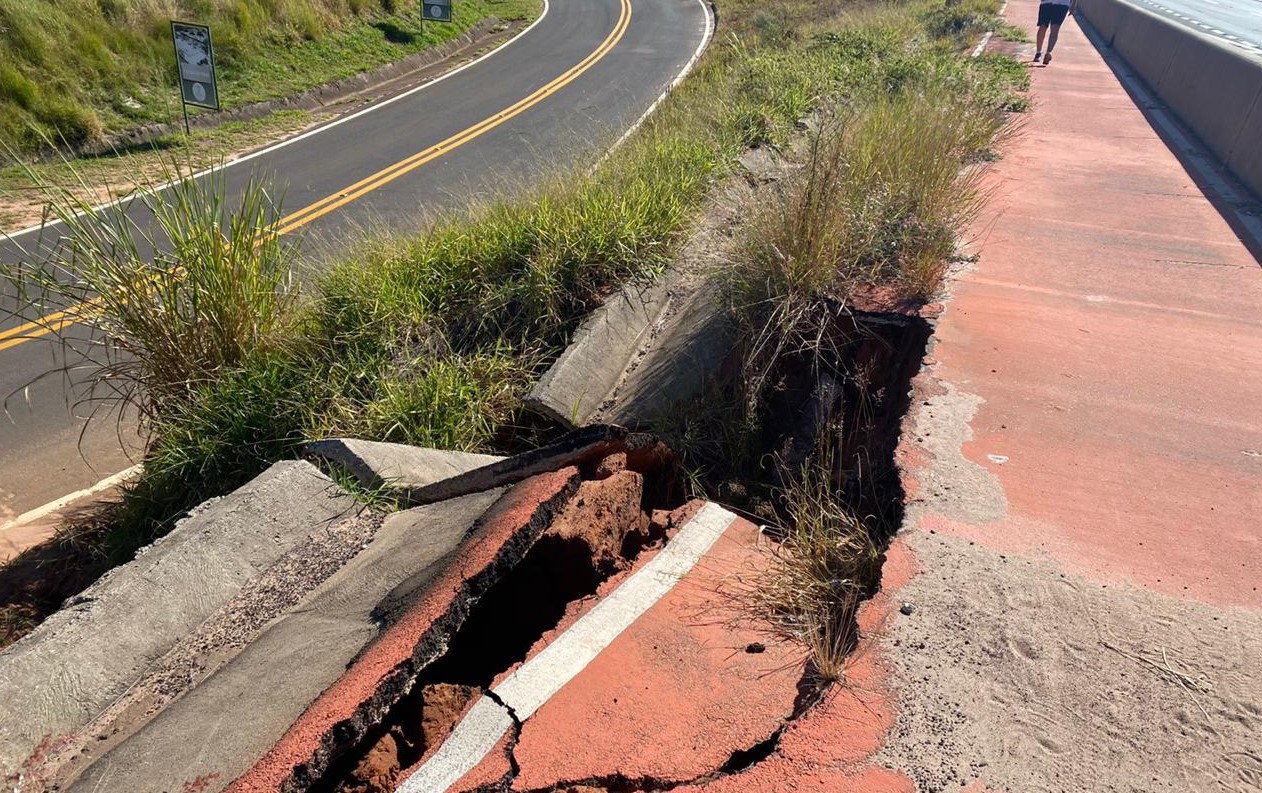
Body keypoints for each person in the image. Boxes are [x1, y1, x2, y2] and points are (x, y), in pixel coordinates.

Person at [1033, 0, 1077, 65]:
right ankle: (1048, 53)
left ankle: (1038, 53)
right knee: (1055, 29)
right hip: (1062, 4)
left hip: (1046, 2)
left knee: (1043, 26)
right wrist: (1073, 6)